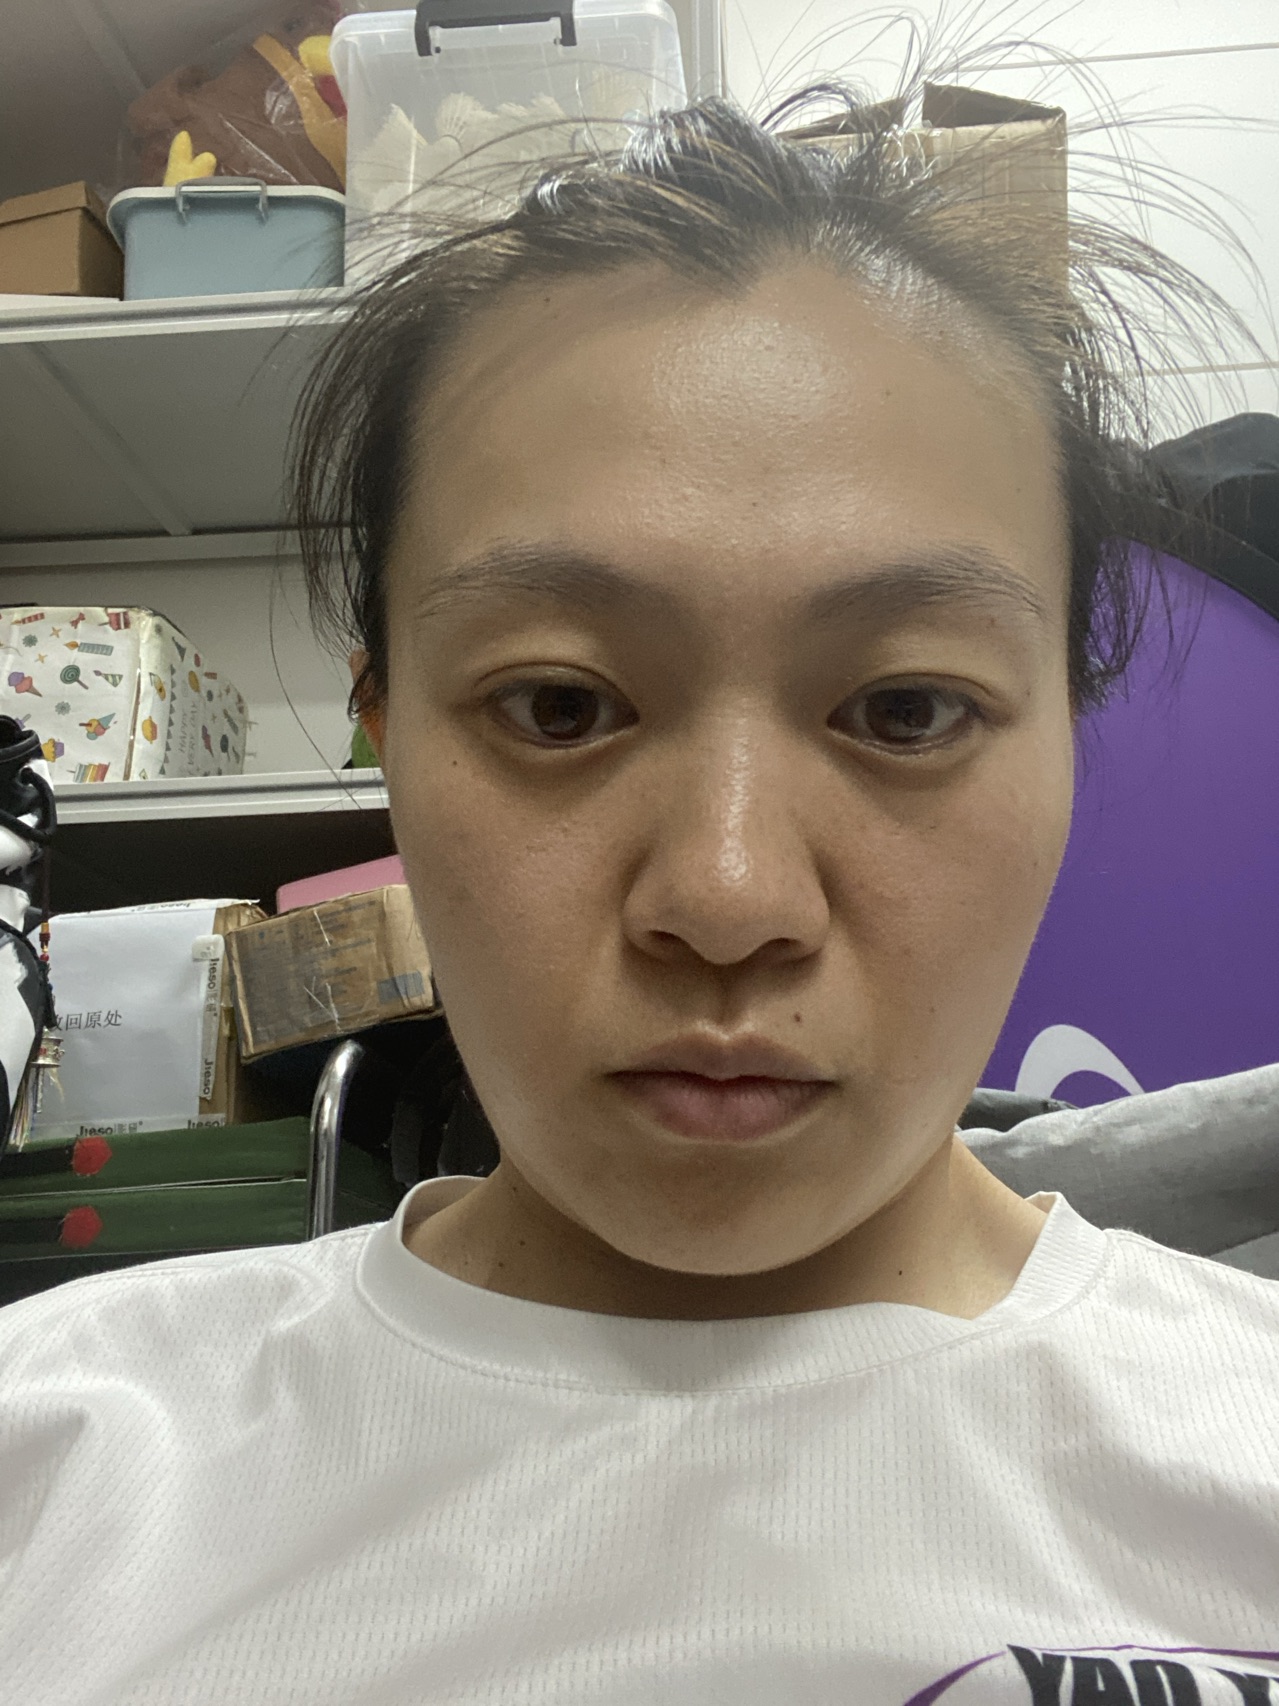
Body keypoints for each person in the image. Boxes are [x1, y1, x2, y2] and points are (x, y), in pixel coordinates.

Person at [2, 87, 1278, 1706]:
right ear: (387, 734)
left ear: (1069, 747)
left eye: (905, 710)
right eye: (558, 706)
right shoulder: (60, 1473)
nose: (729, 897)